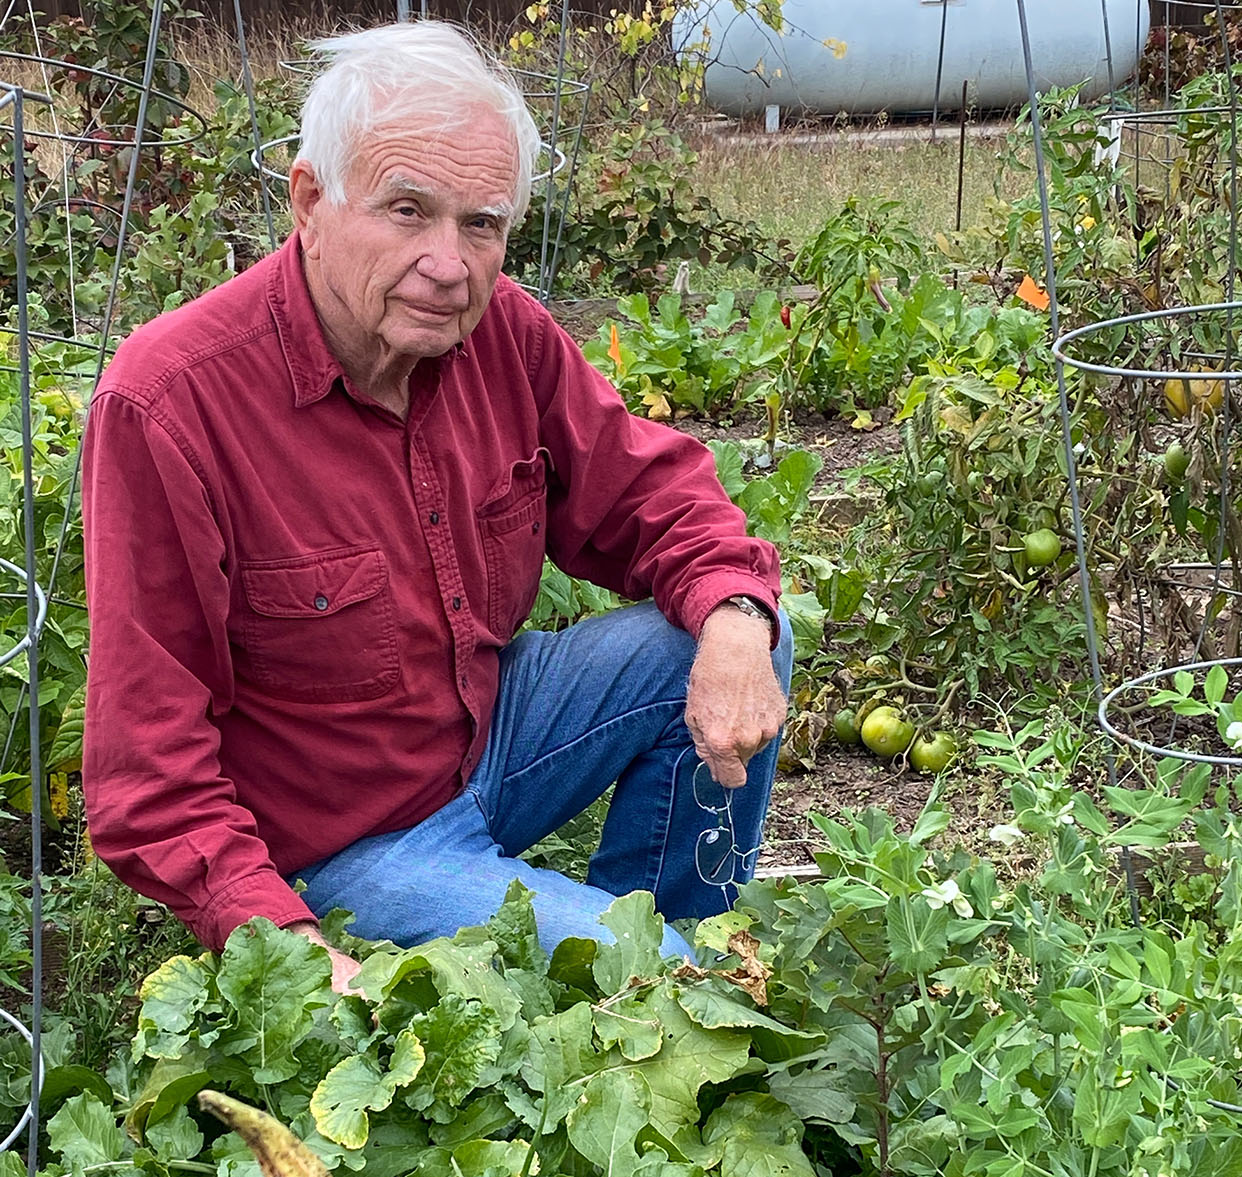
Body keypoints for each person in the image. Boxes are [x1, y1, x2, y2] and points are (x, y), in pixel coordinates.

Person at [81, 21, 791, 993]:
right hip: (341, 840)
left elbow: (649, 494)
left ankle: (667, 954)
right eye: (406, 210)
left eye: (481, 224)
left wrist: (738, 618)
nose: (449, 263)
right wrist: (282, 945)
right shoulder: (171, 403)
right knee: (648, 976)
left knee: (731, 630)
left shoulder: (504, 335)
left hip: (491, 740)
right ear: (310, 202)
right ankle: (647, 980)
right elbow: (145, 774)